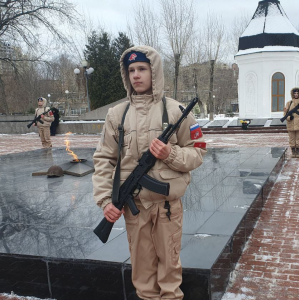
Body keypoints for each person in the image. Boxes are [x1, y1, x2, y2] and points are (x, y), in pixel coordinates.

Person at [92, 46, 206, 300]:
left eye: (142, 69)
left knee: (169, 271)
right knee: (142, 273)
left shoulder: (176, 111)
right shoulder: (117, 114)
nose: (136, 75)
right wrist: (105, 201)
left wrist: (170, 154)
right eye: (131, 70)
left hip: (167, 207)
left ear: (154, 72)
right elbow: (103, 159)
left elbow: (198, 152)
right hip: (134, 208)